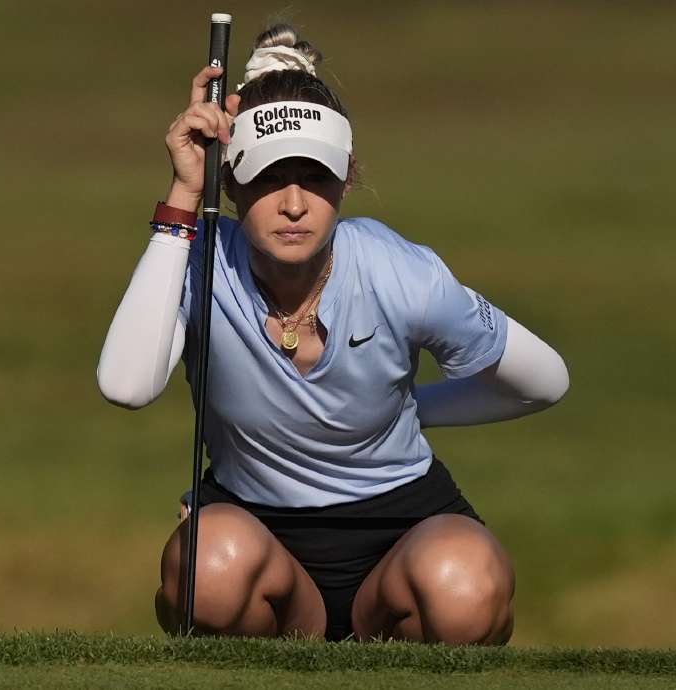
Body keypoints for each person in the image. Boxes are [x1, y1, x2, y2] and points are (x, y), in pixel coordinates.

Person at [97, 24, 568, 645]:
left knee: (466, 589)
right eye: (267, 177)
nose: (294, 204)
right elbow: (127, 385)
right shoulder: (199, 258)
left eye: (315, 178)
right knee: (204, 575)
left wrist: (406, 411)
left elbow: (543, 383)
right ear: (229, 182)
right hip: (257, 533)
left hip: (405, 525)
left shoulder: (401, 271)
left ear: (347, 178)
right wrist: (185, 194)